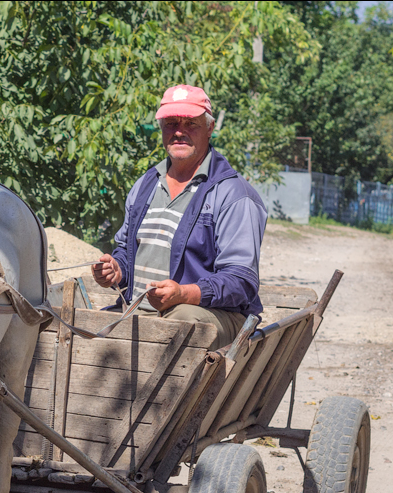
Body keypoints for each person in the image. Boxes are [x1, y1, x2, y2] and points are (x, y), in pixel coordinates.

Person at [92, 84, 267, 350]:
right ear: (161, 127)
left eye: (191, 124)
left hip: (214, 315)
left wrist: (183, 294)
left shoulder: (234, 195)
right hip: (141, 312)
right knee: (82, 329)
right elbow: (127, 254)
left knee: (180, 321)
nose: (179, 131)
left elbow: (241, 283)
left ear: (209, 128)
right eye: (171, 122)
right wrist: (116, 269)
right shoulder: (146, 185)